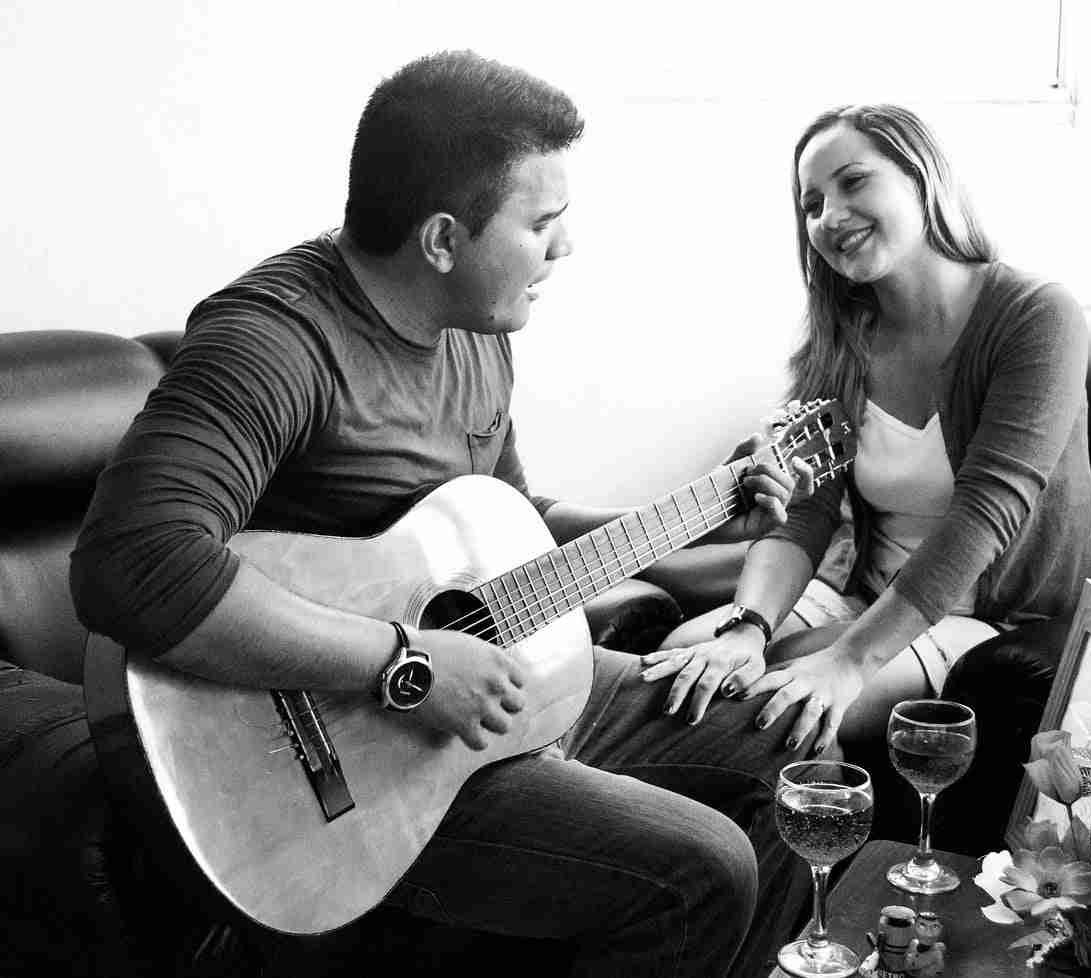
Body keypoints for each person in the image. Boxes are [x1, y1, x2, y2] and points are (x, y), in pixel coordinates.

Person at [70, 50, 820, 978]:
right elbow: (132, 562)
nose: (567, 247)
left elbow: (508, 525)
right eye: (541, 223)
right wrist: (407, 665)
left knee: (792, 750)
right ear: (440, 240)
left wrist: (699, 516)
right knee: (702, 871)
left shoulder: (476, 330)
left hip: (491, 697)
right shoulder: (274, 341)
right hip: (350, 773)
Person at [643, 104, 1091, 790]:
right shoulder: (840, 338)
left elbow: (988, 512)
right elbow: (804, 510)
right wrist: (747, 628)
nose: (830, 216)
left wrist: (847, 663)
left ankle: (817, 851)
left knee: (766, 707)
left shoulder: (1036, 316)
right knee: (682, 662)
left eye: (853, 182)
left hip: (984, 617)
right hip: (863, 592)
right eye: (812, 204)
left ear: (922, 177)